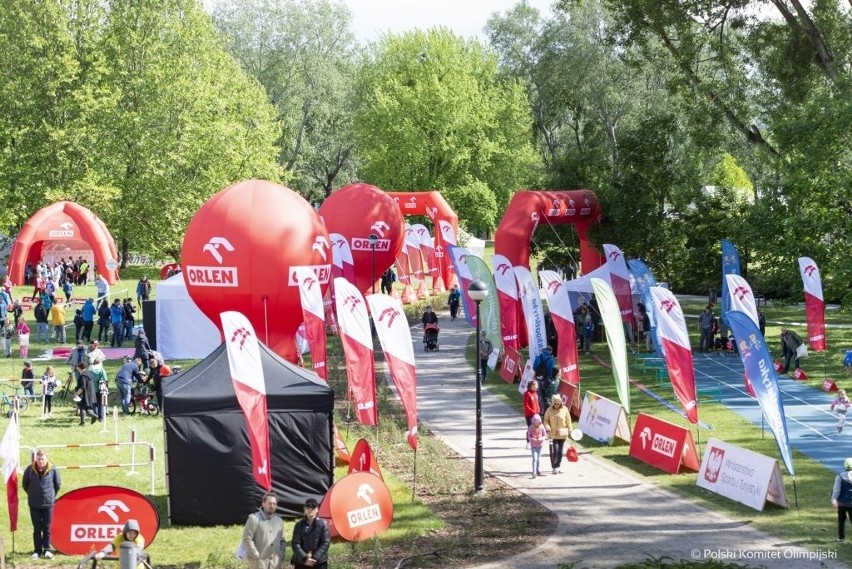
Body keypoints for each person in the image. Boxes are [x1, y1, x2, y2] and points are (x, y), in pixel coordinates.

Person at [22, 449, 61, 559]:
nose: (41, 461)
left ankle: (47, 550)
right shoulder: (29, 470)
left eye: (42, 459)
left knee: (47, 528)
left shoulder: (53, 469)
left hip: (48, 504)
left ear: (46, 458)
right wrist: (32, 494)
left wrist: (50, 496)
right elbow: (25, 484)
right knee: (37, 528)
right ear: (36, 459)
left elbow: (57, 484)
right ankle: (37, 550)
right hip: (34, 504)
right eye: (39, 459)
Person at [241, 491, 285, 569]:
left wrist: (280, 554)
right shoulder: (254, 519)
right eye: (270, 503)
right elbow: (247, 538)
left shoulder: (279, 521)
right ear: (263, 504)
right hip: (259, 564)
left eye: (274, 504)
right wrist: (255, 554)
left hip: (275, 564)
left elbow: (282, 540)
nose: (272, 506)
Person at [291, 497, 330, 569]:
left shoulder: (323, 524)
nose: (310, 509)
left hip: (319, 562)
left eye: (313, 507)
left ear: (317, 509)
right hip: (301, 562)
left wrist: (314, 558)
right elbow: (295, 544)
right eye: (308, 507)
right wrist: (305, 558)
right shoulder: (298, 525)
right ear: (304, 509)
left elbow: (326, 542)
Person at [543, 394, 573, 475]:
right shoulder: (549, 410)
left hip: (562, 434)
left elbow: (568, 421)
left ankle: (557, 466)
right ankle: (554, 466)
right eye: (555, 403)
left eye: (558, 403)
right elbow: (546, 420)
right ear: (553, 403)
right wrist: (547, 427)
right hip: (553, 434)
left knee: (560, 451)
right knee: (555, 450)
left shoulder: (565, 409)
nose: (557, 405)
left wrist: (570, 430)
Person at [831, 458, 852, 543]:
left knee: (841, 521)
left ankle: (841, 538)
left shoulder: (839, 477)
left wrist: (834, 500)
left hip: (842, 503)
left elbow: (836, 490)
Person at [527, 414, 547, 479]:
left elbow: (545, 435)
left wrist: (541, 439)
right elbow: (528, 436)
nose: (536, 422)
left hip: (540, 445)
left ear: (539, 421)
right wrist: (532, 439)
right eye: (535, 421)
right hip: (533, 446)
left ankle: (538, 470)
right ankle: (534, 472)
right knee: (534, 459)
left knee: (538, 459)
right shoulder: (530, 427)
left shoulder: (542, 427)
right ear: (533, 421)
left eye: (537, 421)